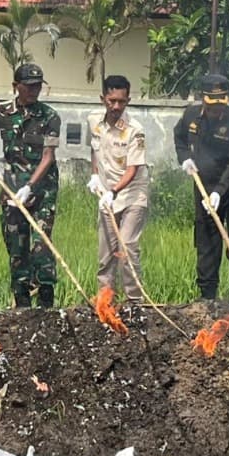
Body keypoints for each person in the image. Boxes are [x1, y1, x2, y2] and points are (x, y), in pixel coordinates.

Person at [0, 63, 61, 308]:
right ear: (15, 86)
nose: (33, 91)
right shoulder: (1, 112)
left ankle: (46, 299)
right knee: (17, 246)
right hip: (10, 188)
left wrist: (29, 186)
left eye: (37, 86)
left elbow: (49, 156)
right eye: (28, 86)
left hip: (42, 190)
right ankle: (22, 302)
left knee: (41, 245)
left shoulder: (49, 116)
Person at [173, 74, 229, 300]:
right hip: (204, 183)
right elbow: (179, 137)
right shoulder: (191, 115)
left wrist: (219, 191)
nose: (216, 112)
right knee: (207, 238)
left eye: (220, 106)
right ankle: (207, 295)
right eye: (212, 106)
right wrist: (185, 157)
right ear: (203, 100)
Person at [86, 75, 149, 301]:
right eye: (111, 101)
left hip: (132, 194)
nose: (116, 107)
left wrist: (113, 191)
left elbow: (132, 169)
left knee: (127, 245)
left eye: (121, 102)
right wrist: (95, 176)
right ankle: (105, 300)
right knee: (106, 254)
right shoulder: (93, 121)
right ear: (103, 98)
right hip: (107, 196)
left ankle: (135, 301)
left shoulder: (134, 130)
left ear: (128, 100)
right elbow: (94, 149)